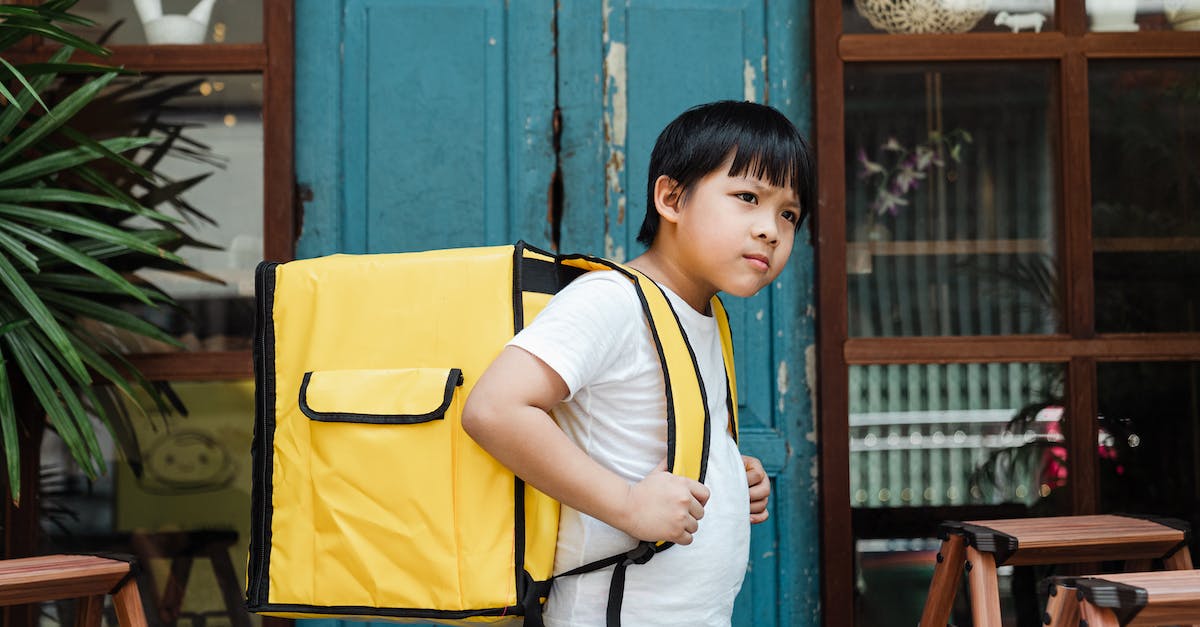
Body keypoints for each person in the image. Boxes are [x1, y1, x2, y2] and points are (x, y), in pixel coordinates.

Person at [462, 100, 814, 627]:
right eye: (747, 197)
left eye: (788, 213)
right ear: (672, 198)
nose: (771, 229)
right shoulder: (614, 300)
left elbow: (643, 437)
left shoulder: (705, 314)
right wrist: (627, 504)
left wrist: (728, 476)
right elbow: (493, 409)